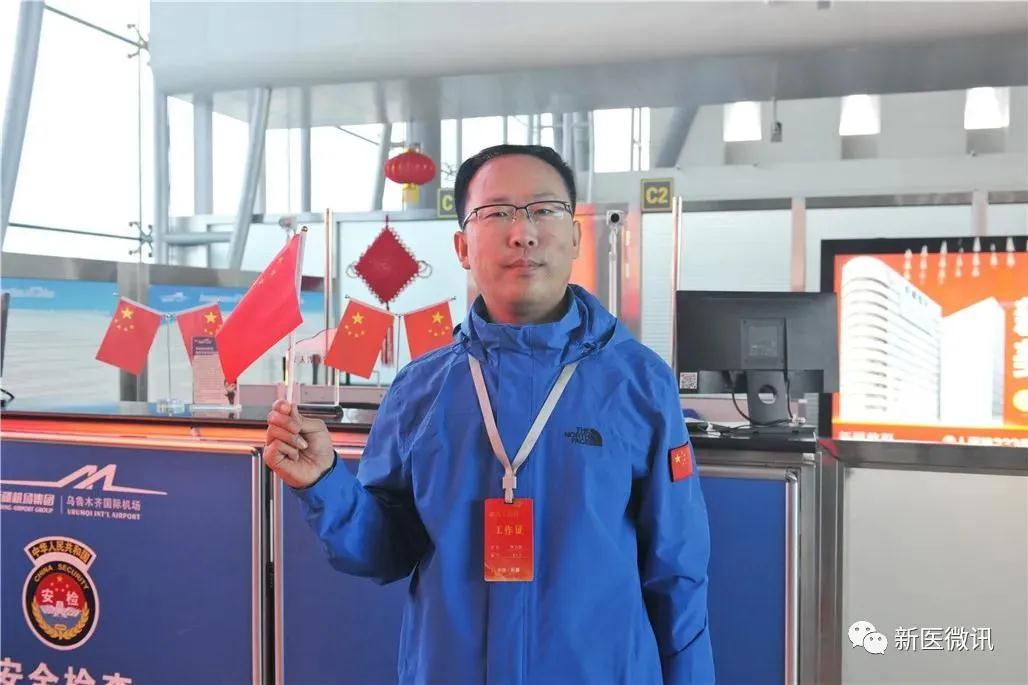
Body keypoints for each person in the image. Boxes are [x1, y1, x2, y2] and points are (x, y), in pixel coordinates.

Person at [264, 144, 713, 684]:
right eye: (497, 212)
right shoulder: (421, 389)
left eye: (544, 210)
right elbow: (384, 552)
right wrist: (326, 483)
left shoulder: (638, 383)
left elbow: (677, 571)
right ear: (462, 246)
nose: (522, 233)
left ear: (574, 236)